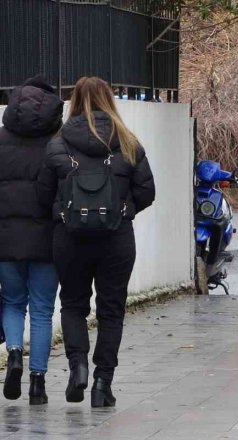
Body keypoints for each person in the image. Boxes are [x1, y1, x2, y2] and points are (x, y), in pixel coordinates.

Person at [37, 76, 155, 407]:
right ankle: (103, 383)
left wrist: (62, 210)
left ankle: (78, 368)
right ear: (110, 100)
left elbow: (43, 193)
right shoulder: (128, 141)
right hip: (116, 237)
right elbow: (147, 190)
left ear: (74, 101)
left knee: (73, 305)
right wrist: (123, 209)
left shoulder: (58, 144)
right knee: (111, 310)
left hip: (69, 237)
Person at [0, 77, 63, 405]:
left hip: (6, 239)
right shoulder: (58, 143)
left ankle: (13, 354)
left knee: (12, 302)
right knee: (41, 309)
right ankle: (37, 382)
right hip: (46, 240)